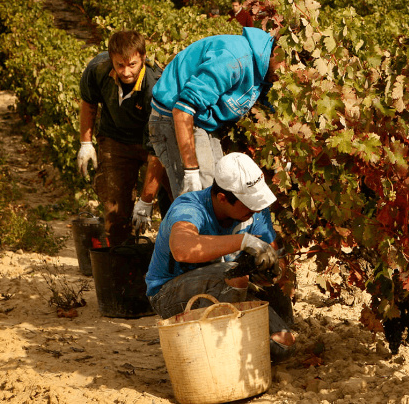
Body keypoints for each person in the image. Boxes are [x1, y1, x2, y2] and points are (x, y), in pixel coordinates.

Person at [144, 152, 295, 362]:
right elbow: (182, 248)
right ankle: (219, 353)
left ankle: (231, 342)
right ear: (222, 198)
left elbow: (274, 252)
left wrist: (274, 271)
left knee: (282, 343)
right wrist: (243, 241)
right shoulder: (189, 208)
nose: (256, 208)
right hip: (170, 294)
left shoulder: (255, 211)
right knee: (234, 274)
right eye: (249, 203)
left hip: (227, 288)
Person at [148, 27, 281, 200]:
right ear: (277, 51)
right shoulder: (234, 59)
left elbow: (268, 113)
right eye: (287, 65)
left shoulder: (266, 72)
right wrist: (191, 171)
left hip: (203, 120)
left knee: (218, 189)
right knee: (199, 196)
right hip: (174, 117)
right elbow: (181, 110)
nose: (286, 74)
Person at [77, 29, 167, 245]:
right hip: (115, 137)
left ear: (143, 59)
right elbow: (89, 102)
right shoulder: (97, 69)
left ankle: (172, 250)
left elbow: (157, 151)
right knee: (115, 208)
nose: (126, 72)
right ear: (111, 59)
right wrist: (86, 142)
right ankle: (120, 255)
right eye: (119, 65)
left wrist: (146, 201)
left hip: (152, 142)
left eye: (132, 65)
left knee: (174, 198)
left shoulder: (156, 87)